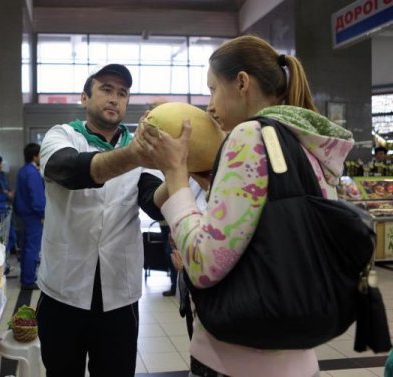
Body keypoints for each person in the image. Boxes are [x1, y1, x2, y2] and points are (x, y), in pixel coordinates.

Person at [139, 35, 355, 377]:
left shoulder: (248, 136)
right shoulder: (306, 140)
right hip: (301, 356)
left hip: (236, 360)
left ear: (241, 83)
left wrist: (176, 175)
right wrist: (212, 186)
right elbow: (268, 233)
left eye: (212, 89)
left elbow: (204, 264)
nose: (209, 105)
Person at [36, 63, 167, 376]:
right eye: (106, 89)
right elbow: (67, 169)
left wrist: (176, 169)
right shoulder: (63, 136)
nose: (115, 98)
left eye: (122, 93)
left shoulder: (141, 151)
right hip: (63, 290)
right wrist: (133, 155)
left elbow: (155, 203)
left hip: (119, 295)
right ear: (84, 98)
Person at [13, 143, 45, 290]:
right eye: (40, 154)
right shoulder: (32, 173)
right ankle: (29, 280)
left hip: (23, 215)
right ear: (34, 156)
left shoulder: (23, 171)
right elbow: (37, 197)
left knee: (26, 247)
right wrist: (43, 213)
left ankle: (26, 277)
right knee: (32, 248)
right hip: (33, 216)